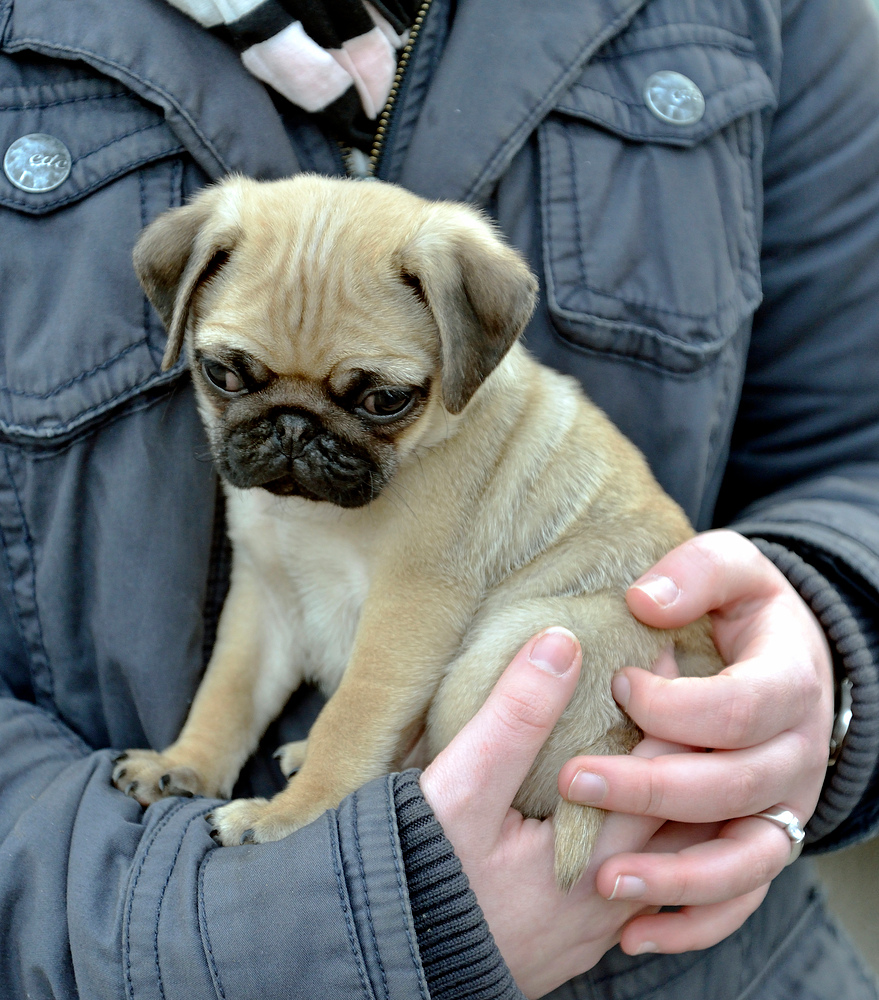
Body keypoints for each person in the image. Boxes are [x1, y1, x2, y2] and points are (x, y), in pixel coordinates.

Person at [1, 0, 878, 996]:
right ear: (185, 300)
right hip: (115, 937)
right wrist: (205, 766)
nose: (295, 439)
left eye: (375, 399)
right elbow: (274, 599)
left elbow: (415, 613)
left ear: (466, 354)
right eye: (235, 378)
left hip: (627, 786)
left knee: (508, 659)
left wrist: (832, 643)